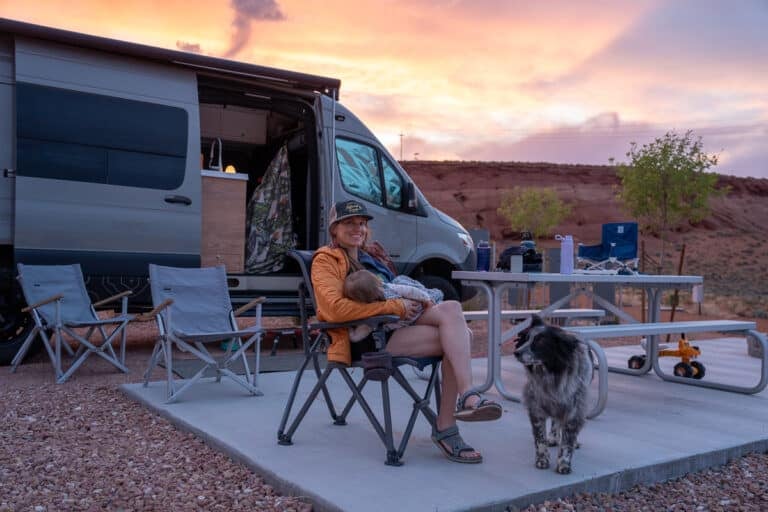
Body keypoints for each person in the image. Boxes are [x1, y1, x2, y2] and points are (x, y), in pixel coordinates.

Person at [311, 199, 502, 464]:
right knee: (460, 337)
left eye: (362, 224)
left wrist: (407, 305)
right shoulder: (325, 260)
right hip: (368, 338)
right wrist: (397, 307)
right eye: (349, 223)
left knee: (452, 310)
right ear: (334, 229)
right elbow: (334, 310)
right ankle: (449, 424)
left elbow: (396, 289)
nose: (357, 229)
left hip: (397, 325)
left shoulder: (371, 255)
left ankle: (466, 397)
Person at [343, 269, 440, 341]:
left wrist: (427, 299)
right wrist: (351, 333)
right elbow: (363, 329)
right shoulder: (371, 311)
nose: (380, 291)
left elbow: (411, 291)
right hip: (406, 326)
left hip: (417, 312)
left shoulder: (389, 288)